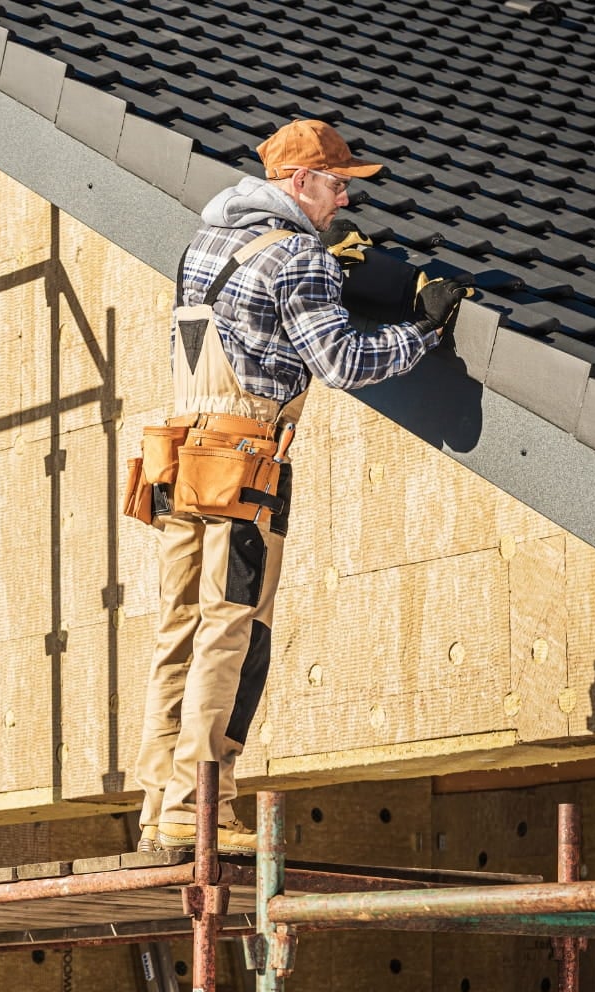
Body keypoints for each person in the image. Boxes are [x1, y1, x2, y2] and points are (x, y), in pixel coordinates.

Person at [133, 119, 467, 854]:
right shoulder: (296, 257)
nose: (345, 198)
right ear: (296, 182)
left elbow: (227, 334)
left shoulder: (206, 245)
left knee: (179, 626)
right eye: (337, 182)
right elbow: (341, 361)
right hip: (248, 461)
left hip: (182, 455)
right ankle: (201, 801)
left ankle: (161, 800)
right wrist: (424, 331)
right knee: (234, 625)